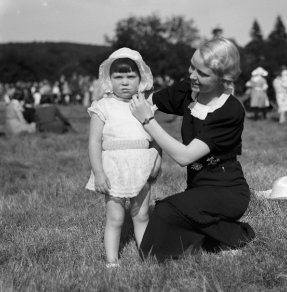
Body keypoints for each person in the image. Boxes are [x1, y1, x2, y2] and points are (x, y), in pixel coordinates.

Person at [130, 37, 255, 262]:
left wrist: (148, 121)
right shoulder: (189, 91)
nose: (192, 75)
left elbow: (184, 156)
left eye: (202, 73)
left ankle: (239, 234)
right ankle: (214, 241)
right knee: (178, 213)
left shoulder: (229, 110)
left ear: (223, 78)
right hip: (197, 187)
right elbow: (149, 102)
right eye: (192, 66)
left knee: (166, 210)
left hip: (227, 191)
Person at [85, 48, 162, 268]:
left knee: (141, 215)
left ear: (141, 79)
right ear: (109, 80)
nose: (125, 82)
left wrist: (157, 157)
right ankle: (112, 261)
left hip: (141, 164)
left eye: (131, 77)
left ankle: (147, 256)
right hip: (114, 167)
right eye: (118, 77)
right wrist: (98, 172)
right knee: (115, 217)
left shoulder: (145, 105)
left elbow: (156, 136)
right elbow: (94, 142)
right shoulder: (103, 107)